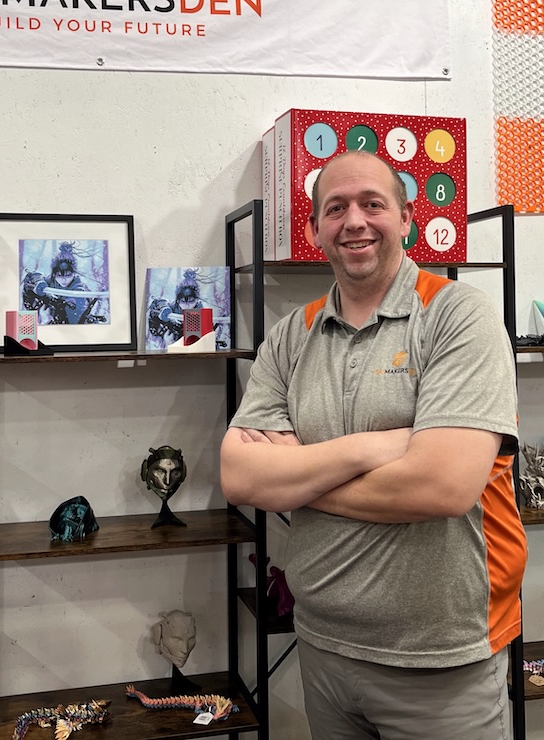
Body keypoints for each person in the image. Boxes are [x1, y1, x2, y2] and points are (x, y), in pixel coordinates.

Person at [220, 150, 525, 740]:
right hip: (322, 648)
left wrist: (300, 478)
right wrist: (372, 449)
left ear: (406, 218)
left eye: (372, 204)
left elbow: (442, 486)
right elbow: (239, 476)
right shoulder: (291, 335)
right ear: (313, 230)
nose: (354, 221)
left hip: (443, 658)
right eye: (335, 208)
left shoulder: (458, 317)